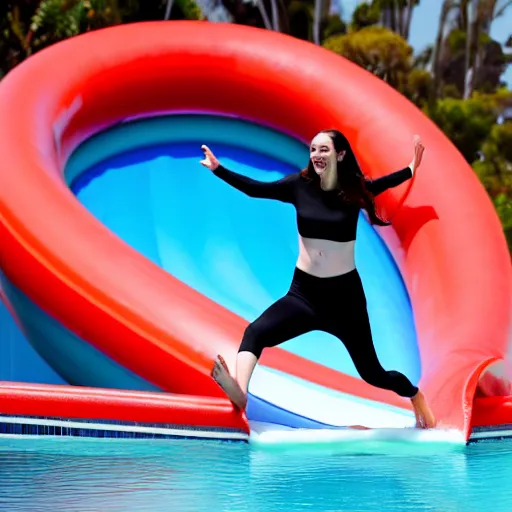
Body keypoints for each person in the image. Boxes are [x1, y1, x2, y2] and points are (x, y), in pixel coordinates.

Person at [200, 129, 436, 429]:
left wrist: (412, 168)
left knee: (373, 374)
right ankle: (242, 394)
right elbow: (256, 189)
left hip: (345, 300)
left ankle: (415, 396)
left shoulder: (355, 190)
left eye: (324, 150)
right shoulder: (298, 186)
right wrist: (220, 170)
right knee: (255, 332)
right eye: (313, 149)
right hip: (304, 294)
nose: (316, 155)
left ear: (340, 154)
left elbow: (387, 183)